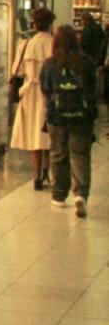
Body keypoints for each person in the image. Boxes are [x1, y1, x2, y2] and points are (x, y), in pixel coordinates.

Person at [41, 24, 98, 217]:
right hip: (82, 116)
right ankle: (80, 194)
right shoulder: (86, 62)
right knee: (80, 154)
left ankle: (58, 195)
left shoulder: (50, 64)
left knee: (58, 153)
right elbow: (93, 89)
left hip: (56, 116)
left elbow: (46, 89)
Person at [10, 7, 56, 190]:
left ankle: (36, 174)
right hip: (49, 93)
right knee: (49, 134)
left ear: (34, 24)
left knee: (33, 134)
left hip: (30, 92)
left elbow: (17, 71)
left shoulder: (26, 45)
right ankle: (47, 170)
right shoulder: (54, 44)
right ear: (51, 24)